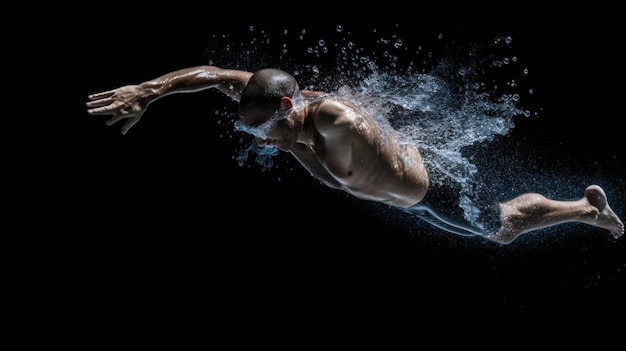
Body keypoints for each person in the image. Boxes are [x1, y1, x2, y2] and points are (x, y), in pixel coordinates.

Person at [86, 65, 624, 244]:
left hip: (429, 187)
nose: (260, 137)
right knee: (499, 227)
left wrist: (292, 144)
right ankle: (585, 211)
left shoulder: (337, 122)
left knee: (502, 227)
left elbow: (337, 179)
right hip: (405, 187)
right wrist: (148, 92)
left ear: (288, 103)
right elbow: (207, 75)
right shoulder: (275, 105)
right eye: (252, 128)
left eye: (269, 125)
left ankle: (586, 211)